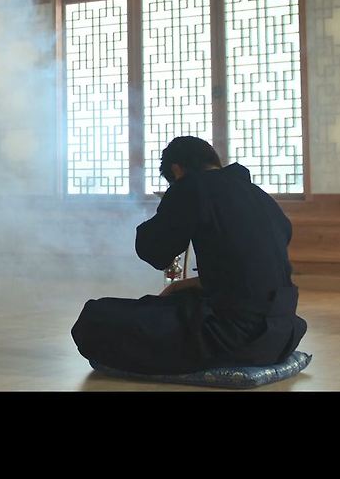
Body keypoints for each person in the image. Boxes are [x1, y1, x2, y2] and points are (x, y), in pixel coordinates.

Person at [71, 136, 308, 374]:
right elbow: (251, 271)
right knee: (172, 302)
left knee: (95, 318)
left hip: (234, 337)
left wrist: (170, 205)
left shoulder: (192, 187)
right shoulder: (259, 195)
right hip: (283, 334)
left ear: (177, 170)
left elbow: (154, 251)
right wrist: (185, 285)